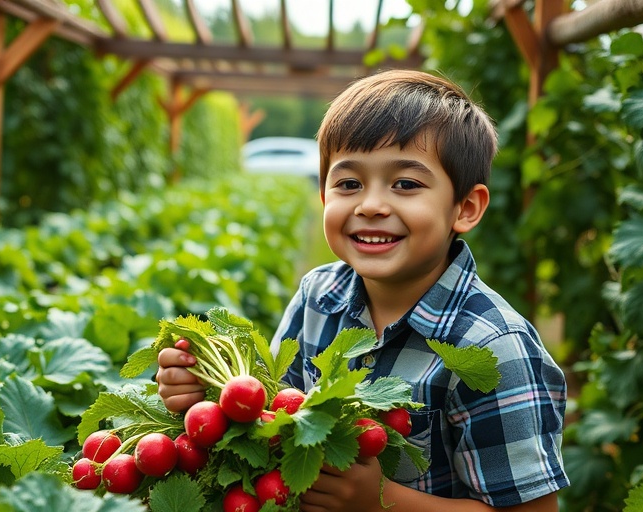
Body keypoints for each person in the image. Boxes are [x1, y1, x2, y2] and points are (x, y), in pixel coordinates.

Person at [156, 69, 569, 511]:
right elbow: (271, 420)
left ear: (465, 208)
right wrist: (206, 395)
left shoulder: (494, 346)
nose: (371, 205)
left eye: (406, 184)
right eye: (349, 184)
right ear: (323, 196)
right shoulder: (317, 296)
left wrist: (381, 501)